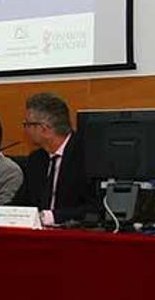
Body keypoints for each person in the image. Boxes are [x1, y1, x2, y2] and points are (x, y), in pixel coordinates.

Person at [13, 92, 95, 225]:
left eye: (27, 124)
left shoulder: (87, 155)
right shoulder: (36, 159)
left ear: (44, 129)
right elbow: (22, 202)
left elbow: (94, 208)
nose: (25, 130)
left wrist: (52, 217)